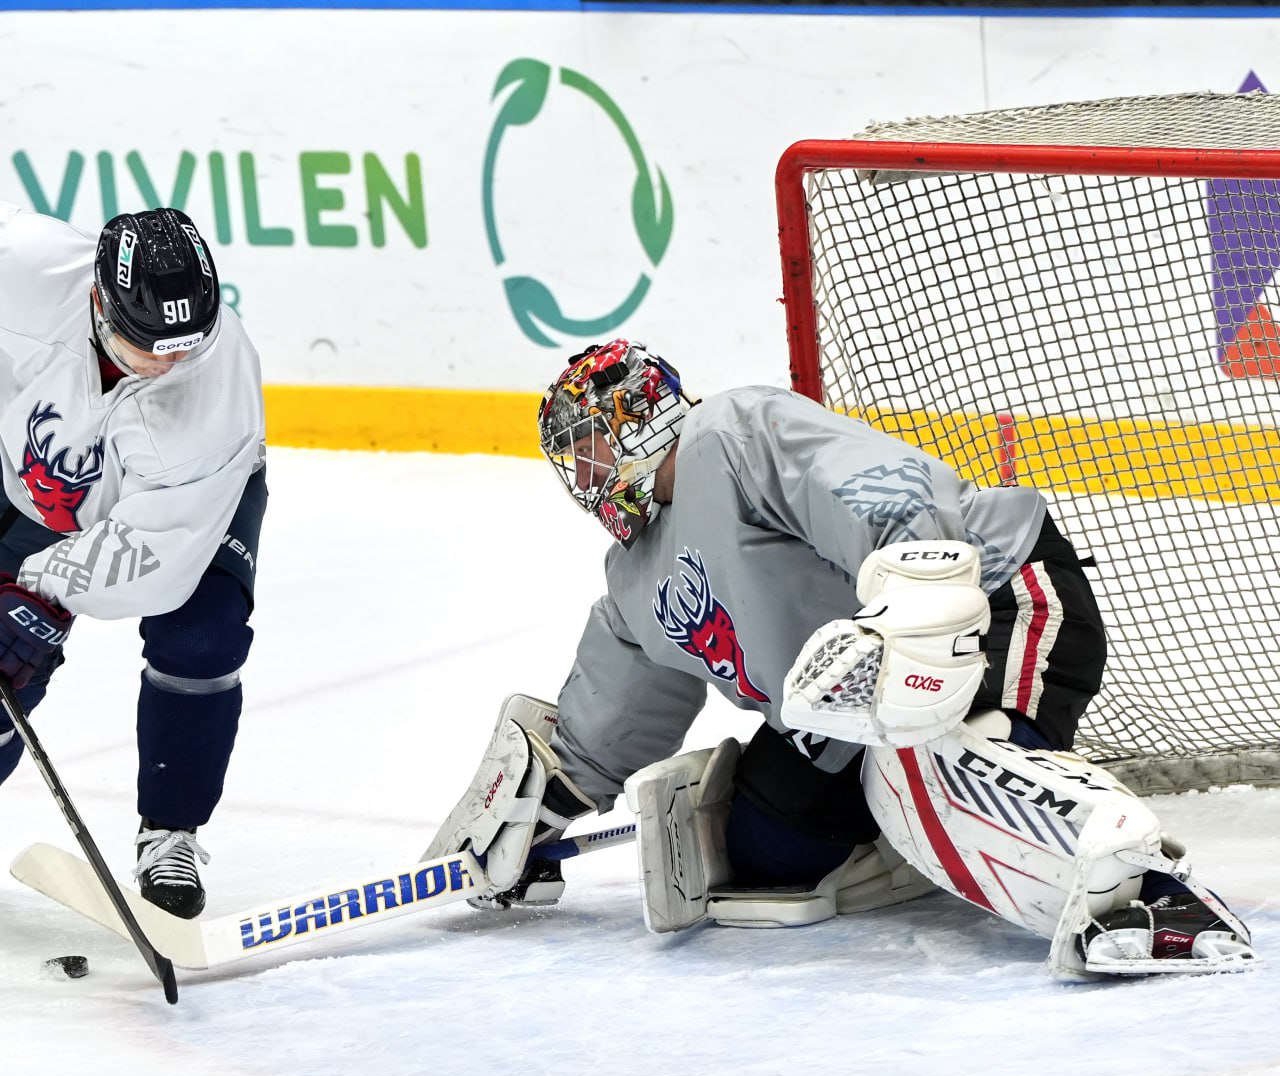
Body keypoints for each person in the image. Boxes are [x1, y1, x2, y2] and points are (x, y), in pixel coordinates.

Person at [444, 337, 1251, 973]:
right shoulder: (632, 581)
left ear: (644, 416)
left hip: (988, 600)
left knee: (931, 762)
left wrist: (911, 617)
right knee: (764, 853)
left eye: (592, 445)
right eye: (571, 460)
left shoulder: (734, 432)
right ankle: (913, 824)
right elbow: (603, 721)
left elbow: (895, 500)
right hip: (854, 701)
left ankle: (1143, 893)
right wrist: (533, 813)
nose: (585, 474)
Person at [0, 203, 267, 919]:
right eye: (146, 341)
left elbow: (156, 555)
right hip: (26, 481)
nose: (167, 360)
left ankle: (170, 831)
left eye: (186, 343)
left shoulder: (215, 387)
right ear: (96, 297)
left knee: (202, 640)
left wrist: (33, 592)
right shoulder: (21, 265)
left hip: (186, 507)